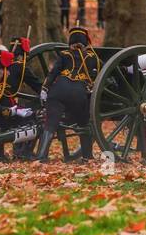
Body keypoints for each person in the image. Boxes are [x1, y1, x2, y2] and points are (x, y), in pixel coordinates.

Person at [38, 25, 100, 162]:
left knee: (50, 123)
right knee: (84, 123)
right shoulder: (92, 57)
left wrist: (45, 89)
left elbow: (53, 73)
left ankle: (41, 156)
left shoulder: (64, 55)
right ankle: (87, 156)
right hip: (78, 94)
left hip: (57, 92)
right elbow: (104, 72)